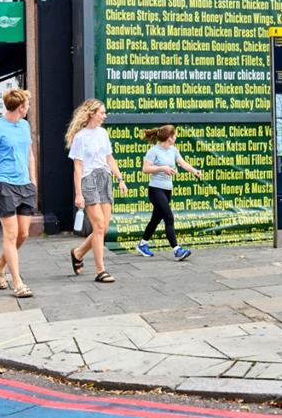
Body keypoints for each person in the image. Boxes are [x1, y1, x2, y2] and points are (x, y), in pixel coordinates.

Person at [0, 89, 37, 299]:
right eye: (27, 105)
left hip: (24, 185)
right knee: (11, 234)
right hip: (4, 184)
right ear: (21, 107)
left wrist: (33, 181)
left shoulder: (24, 125)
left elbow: (30, 155)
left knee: (23, 234)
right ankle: (18, 283)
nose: (28, 108)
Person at [67, 98, 127, 283]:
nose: (104, 115)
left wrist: (120, 179)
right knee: (99, 226)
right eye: (102, 112)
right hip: (88, 180)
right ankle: (101, 270)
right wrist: (78, 193)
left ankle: (78, 253)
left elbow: (110, 158)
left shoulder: (103, 133)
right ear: (92, 113)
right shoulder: (80, 137)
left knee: (103, 227)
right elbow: (77, 167)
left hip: (104, 178)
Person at [136, 125, 200, 261]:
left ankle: (143, 243)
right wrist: (162, 168)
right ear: (169, 138)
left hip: (167, 190)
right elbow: (145, 169)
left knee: (156, 219)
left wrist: (194, 171)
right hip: (155, 190)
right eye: (174, 135)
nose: (176, 137)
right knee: (169, 218)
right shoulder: (153, 151)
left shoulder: (173, 150)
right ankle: (177, 250)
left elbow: (182, 163)